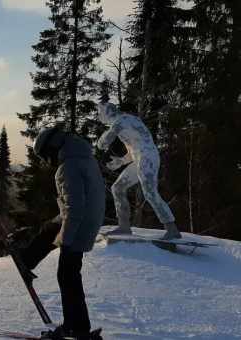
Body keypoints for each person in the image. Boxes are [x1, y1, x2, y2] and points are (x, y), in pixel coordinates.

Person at [14, 125, 105, 339]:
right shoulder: (83, 158)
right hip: (88, 221)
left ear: (54, 147)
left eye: (46, 155)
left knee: (67, 275)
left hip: (79, 225)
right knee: (51, 230)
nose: (47, 160)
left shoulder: (69, 167)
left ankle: (75, 327)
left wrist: (66, 239)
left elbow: (75, 208)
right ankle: (27, 260)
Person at [96, 101, 181, 240]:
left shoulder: (121, 121)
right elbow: (134, 148)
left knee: (149, 192)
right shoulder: (127, 121)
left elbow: (103, 143)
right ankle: (124, 226)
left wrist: (100, 143)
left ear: (107, 112)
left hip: (148, 158)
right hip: (140, 158)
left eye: (100, 112)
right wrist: (121, 161)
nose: (99, 116)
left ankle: (172, 229)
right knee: (117, 188)